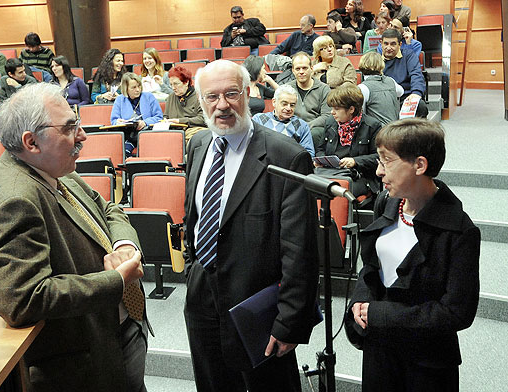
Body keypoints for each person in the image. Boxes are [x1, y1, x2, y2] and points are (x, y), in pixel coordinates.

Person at [0, 82, 149, 392]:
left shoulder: (53, 167)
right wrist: (115, 280)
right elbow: (20, 298)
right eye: (70, 128)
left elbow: (108, 208)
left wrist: (123, 243)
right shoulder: (16, 197)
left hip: (120, 331)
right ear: (31, 142)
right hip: (86, 363)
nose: (83, 136)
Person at [183, 59, 319, 392]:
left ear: (248, 93)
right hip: (202, 297)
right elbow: (196, 217)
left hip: (257, 306)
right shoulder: (198, 146)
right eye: (211, 97)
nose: (222, 105)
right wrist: (191, 270)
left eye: (231, 94)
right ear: (200, 102)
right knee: (212, 384)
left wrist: (290, 321)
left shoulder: (287, 156)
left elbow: (299, 252)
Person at [344, 118, 480, 392]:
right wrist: (361, 299)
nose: (379, 172)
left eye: (387, 161)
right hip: (380, 352)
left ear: (420, 165)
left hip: (425, 364)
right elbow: (372, 266)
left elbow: (456, 313)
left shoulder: (460, 231)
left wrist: (381, 315)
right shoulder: (387, 201)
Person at [315, 85, 381, 197]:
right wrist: (321, 160)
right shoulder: (331, 122)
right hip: (331, 172)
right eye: (332, 108)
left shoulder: (372, 126)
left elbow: (378, 158)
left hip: (360, 176)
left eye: (337, 109)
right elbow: (321, 149)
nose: (332, 112)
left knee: (338, 191)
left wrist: (355, 161)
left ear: (351, 109)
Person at [252, 84, 315, 156]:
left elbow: (309, 154)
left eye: (292, 105)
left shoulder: (301, 125)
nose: (288, 108)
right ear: (274, 102)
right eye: (284, 104)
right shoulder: (259, 120)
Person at [110, 73, 163, 156]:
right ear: (126, 88)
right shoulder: (119, 100)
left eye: (139, 86)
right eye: (134, 87)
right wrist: (118, 121)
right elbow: (114, 120)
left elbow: (159, 117)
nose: (138, 89)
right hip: (129, 134)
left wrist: (145, 122)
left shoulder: (149, 97)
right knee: (123, 152)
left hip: (147, 133)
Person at [285, 52, 331, 146]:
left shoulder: (323, 89)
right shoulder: (287, 89)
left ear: (311, 68)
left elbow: (327, 116)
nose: (301, 71)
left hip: (315, 130)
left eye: (305, 68)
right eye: (297, 69)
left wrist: (305, 127)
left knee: (315, 133)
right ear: (293, 70)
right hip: (292, 129)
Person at [381, 29, 428, 118]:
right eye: (386, 44)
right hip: (384, 99)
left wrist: (416, 93)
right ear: (381, 43)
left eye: (393, 44)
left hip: (406, 97)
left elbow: (416, 74)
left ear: (400, 44)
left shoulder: (408, 55)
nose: (389, 47)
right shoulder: (376, 58)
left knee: (420, 106)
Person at [358, 51, 404, 126]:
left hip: (377, 132)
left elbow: (361, 114)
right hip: (395, 129)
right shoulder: (391, 81)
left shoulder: (362, 88)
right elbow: (401, 92)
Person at [163, 65, 206, 143]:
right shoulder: (171, 98)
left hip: (194, 130)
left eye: (176, 84)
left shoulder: (199, 96)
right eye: (171, 84)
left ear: (186, 82)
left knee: (189, 139)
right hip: (175, 132)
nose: (173, 88)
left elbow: (203, 119)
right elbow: (166, 117)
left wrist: (179, 121)